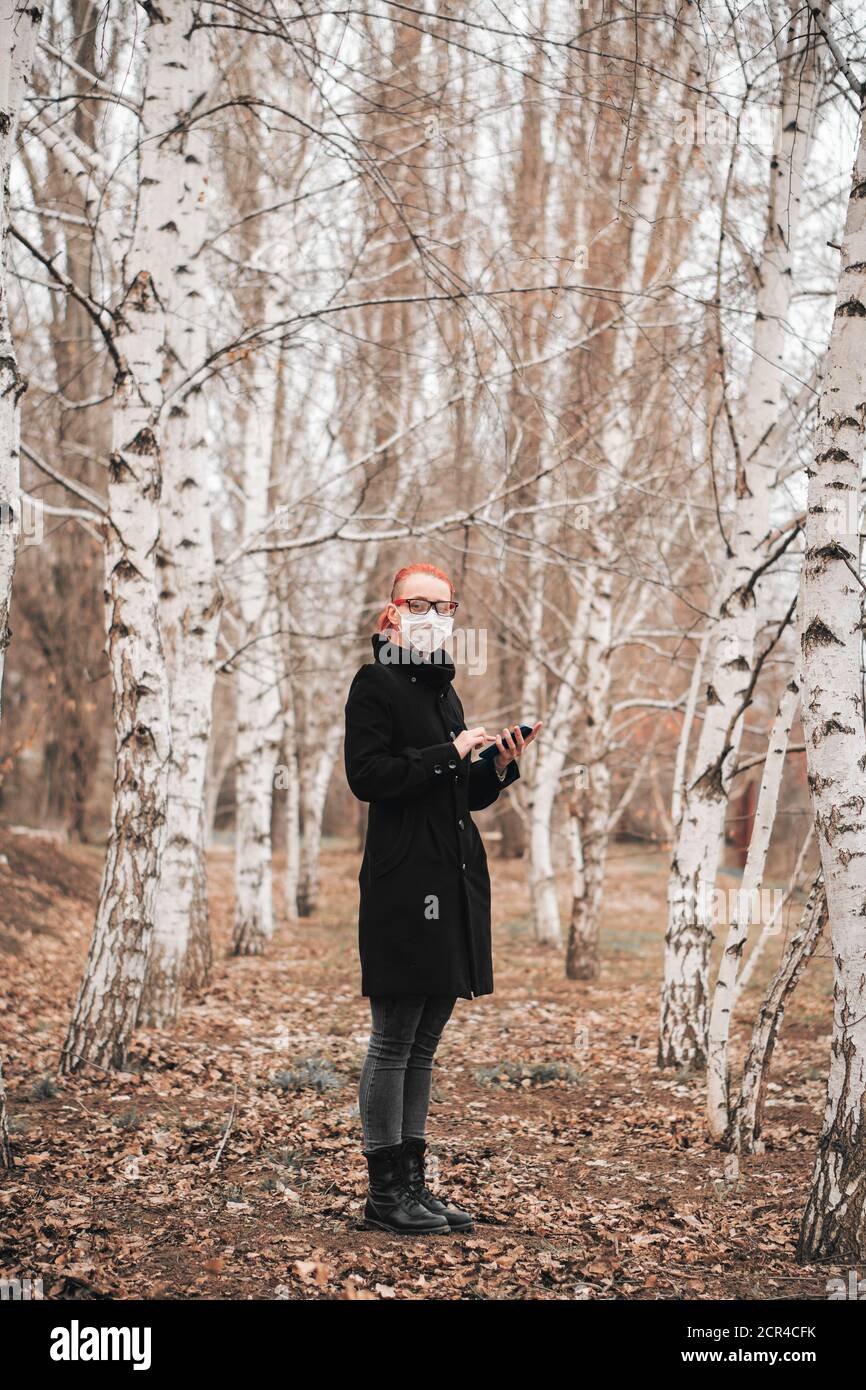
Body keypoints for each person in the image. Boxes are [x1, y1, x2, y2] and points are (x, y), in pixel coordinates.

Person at [343, 562, 541, 1234]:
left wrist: (495, 765)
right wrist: (446, 751)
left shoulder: (445, 693)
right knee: (393, 1039)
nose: (431, 615)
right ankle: (382, 1195)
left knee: (424, 1043)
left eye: (443, 605)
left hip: (452, 878)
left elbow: (460, 789)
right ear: (391, 613)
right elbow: (367, 776)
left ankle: (414, 1188)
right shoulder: (376, 683)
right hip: (404, 883)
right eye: (417, 604)